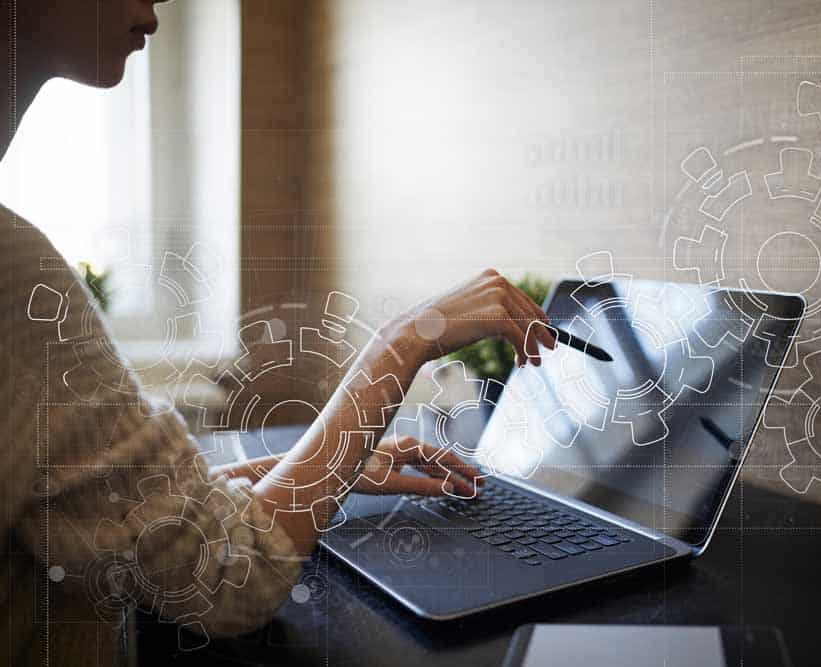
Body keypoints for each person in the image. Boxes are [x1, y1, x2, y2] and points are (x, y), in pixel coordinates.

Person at [0, 1, 557, 664]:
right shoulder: (11, 267)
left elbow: (101, 520)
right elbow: (231, 577)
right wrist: (404, 340)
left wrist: (316, 471)